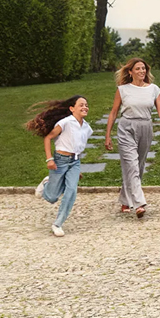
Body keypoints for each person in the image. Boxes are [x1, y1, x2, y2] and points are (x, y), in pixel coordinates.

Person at [104, 58, 160, 218]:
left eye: (143, 68)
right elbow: (113, 113)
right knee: (131, 164)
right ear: (130, 72)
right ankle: (139, 203)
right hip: (126, 127)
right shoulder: (122, 90)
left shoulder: (154, 89)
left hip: (146, 127)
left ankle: (125, 200)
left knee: (138, 166)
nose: (142, 71)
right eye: (138, 69)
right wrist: (107, 135)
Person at [26, 95, 93, 237]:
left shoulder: (87, 128)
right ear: (72, 108)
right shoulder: (65, 122)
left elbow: (78, 147)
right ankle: (46, 183)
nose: (85, 107)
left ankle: (57, 224)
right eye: (81, 105)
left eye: (86, 105)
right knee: (52, 197)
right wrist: (49, 159)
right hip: (60, 161)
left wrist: (77, 169)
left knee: (71, 191)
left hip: (75, 162)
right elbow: (48, 138)